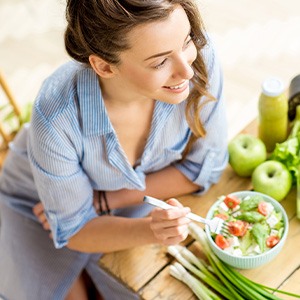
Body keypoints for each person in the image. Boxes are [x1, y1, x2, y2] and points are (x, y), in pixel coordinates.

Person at [0, 0, 228, 299]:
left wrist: (106, 201)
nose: (187, 70)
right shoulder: (56, 115)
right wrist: (151, 230)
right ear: (104, 66)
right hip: (34, 203)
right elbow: (77, 230)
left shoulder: (198, 59)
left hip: (128, 200)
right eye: (160, 62)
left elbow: (205, 168)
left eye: (186, 41)